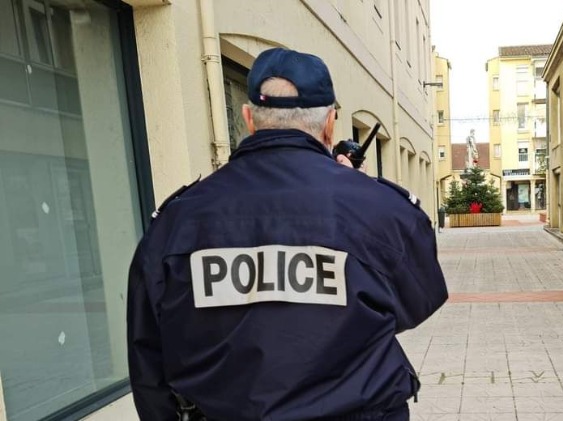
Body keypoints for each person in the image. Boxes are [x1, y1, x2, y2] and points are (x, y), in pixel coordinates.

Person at [127, 48, 448, 420]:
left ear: (249, 118)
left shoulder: (178, 220)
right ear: (330, 124)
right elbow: (418, 300)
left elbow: (148, 355)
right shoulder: (381, 210)